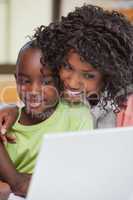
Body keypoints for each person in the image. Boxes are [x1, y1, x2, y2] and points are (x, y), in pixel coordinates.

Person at [0, 34, 93, 198]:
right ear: (16, 80)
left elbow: (82, 173)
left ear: (60, 82)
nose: (34, 91)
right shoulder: (5, 124)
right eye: (25, 81)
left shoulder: (77, 114)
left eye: (46, 82)